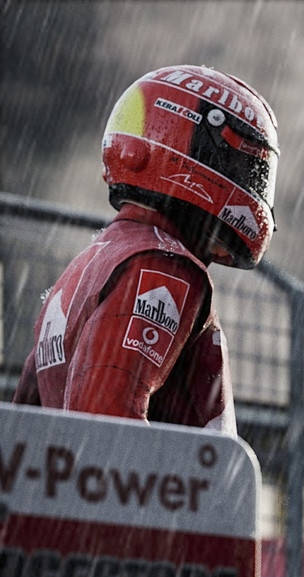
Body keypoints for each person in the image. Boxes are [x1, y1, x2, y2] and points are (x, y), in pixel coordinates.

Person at [11, 65, 279, 431]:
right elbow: (108, 430)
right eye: (246, 166)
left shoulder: (89, 264)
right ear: (205, 154)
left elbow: (21, 435)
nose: (251, 186)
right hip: (147, 489)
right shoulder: (165, 265)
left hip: (84, 485)